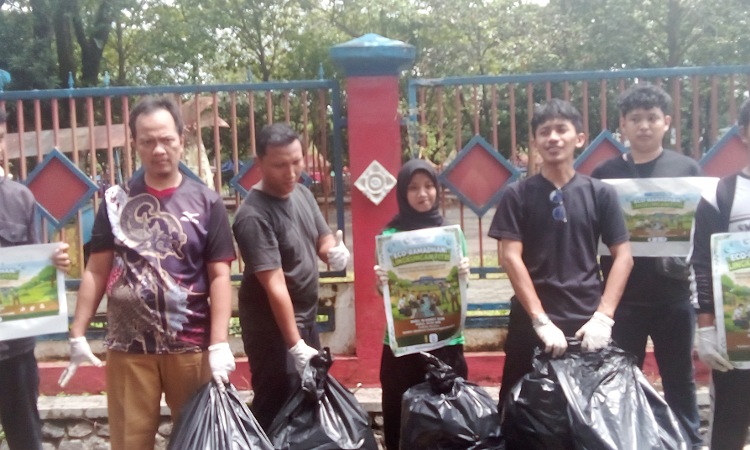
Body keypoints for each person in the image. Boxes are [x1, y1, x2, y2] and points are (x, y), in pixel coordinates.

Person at [57, 96, 237, 450]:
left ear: (181, 139)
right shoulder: (115, 201)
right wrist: (77, 332)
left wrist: (219, 344)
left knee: (199, 440)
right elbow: (96, 269)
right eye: (148, 141)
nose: (158, 149)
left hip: (191, 347)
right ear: (135, 143)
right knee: (130, 442)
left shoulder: (207, 202)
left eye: (166, 139)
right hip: (129, 347)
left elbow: (219, 276)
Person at [488, 98, 633, 408]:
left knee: (589, 413)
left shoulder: (600, 193)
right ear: (534, 142)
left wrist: (603, 318)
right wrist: (540, 320)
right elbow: (510, 257)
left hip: (586, 321)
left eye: (561, 130)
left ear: (579, 138)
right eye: (544, 132)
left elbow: (623, 256)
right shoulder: (517, 195)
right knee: (519, 410)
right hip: (530, 322)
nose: (553, 138)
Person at [591, 84, 703, 447]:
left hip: (674, 296)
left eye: (652, 118)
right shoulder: (605, 174)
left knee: (679, 379)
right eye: (635, 119)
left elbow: (700, 232)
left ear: (666, 122)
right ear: (622, 124)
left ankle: (688, 440)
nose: (644, 126)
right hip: (624, 299)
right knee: (622, 379)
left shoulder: (686, 170)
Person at [232, 122, 350, 431]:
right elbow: (275, 285)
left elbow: (321, 236)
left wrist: (333, 252)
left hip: (304, 320)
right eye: (280, 165)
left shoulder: (302, 193)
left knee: (306, 403)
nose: (291, 172)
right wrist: (295, 345)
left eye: (297, 162)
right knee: (276, 406)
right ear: (259, 163)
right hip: (272, 331)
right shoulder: (253, 216)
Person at [373, 159, 470, 450]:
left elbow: (461, 292)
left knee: (448, 421)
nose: (423, 193)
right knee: (400, 415)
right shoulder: (390, 237)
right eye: (413, 188)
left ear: (438, 189)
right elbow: (384, 294)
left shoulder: (451, 235)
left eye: (428, 186)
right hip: (402, 345)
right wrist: (382, 283)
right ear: (403, 193)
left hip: (446, 341)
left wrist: (463, 275)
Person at [0, 108, 71, 450]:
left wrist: (52, 264)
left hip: (15, 351)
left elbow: (31, 270)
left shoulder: (19, 199)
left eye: (0, 137)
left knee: (26, 439)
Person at [690, 97, 750, 450]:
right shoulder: (720, 193)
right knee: (728, 429)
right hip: (737, 339)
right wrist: (707, 327)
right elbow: (702, 262)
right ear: (744, 133)